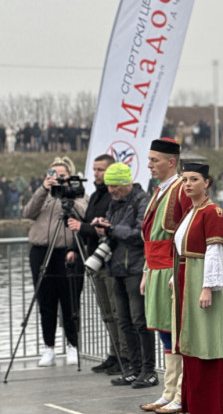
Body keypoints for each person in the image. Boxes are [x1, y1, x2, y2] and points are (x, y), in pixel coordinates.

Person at [170, 163, 223, 414]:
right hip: (187, 277)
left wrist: (207, 287)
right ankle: (194, 403)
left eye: (193, 179)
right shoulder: (189, 212)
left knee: (207, 341)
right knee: (192, 339)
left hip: (202, 279)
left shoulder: (213, 212)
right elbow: (181, 250)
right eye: (184, 180)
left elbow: (214, 252)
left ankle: (209, 407)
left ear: (207, 182)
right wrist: (175, 277)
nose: (188, 184)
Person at [138, 138, 192, 414]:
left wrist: (179, 270)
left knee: (175, 332)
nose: (149, 165)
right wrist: (147, 271)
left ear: (171, 161)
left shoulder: (181, 188)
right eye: (149, 159)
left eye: (154, 160)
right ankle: (169, 390)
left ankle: (180, 393)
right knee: (162, 329)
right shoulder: (159, 190)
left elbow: (186, 232)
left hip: (171, 267)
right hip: (155, 267)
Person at [93, 163, 154, 388]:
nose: (111, 190)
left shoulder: (142, 200)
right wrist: (104, 227)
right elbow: (115, 229)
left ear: (126, 182)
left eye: (114, 186)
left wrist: (110, 230)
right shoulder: (114, 202)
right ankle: (132, 368)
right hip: (116, 268)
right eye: (109, 186)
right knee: (124, 321)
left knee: (140, 321)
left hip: (136, 268)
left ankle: (149, 370)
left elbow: (141, 233)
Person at [23, 156, 87, 367]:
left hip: (68, 252)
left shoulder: (77, 195)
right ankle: (48, 347)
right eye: (53, 175)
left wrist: (69, 194)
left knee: (70, 301)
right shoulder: (44, 196)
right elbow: (28, 213)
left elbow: (85, 216)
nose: (57, 180)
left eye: (62, 176)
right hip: (41, 252)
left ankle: (72, 345)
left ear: (70, 176)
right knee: (46, 302)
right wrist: (44, 189)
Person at [66, 154, 124, 374]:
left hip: (110, 259)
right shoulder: (95, 197)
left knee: (117, 311)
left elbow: (105, 229)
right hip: (94, 260)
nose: (96, 174)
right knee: (106, 313)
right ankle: (113, 353)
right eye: (95, 169)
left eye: (100, 169)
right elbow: (88, 225)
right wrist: (74, 247)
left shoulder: (112, 197)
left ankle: (123, 356)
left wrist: (81, 228)